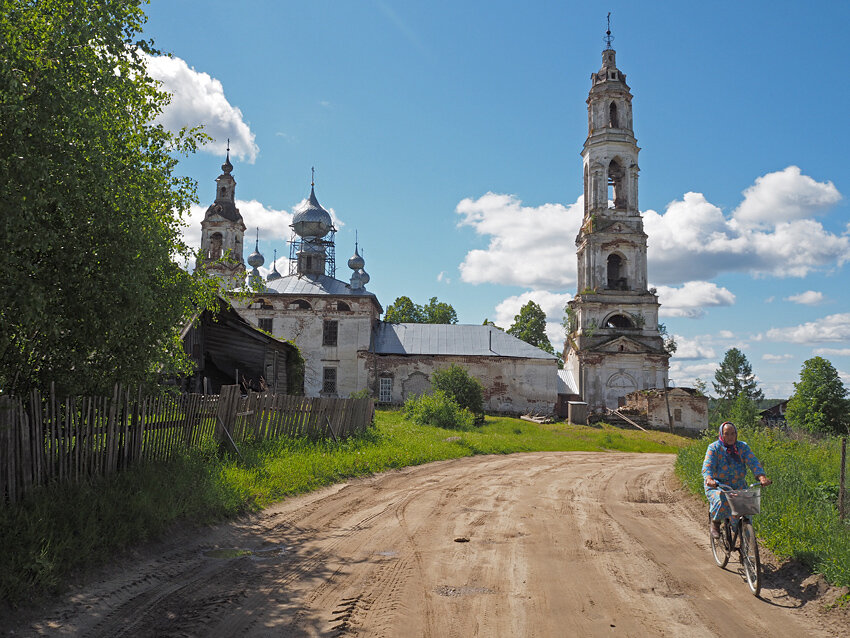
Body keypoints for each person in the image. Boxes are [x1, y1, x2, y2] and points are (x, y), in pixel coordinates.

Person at [702, 421, 771, 538]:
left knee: (746, 508)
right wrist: (709, 478)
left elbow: (753, 462)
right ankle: (716, 522)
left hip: (739, 485)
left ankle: (744, 539)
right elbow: (707, 466)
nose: (730, 437)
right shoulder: (714, 448)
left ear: (736, 434)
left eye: (733, 434)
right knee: (722, 499)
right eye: (726, 434)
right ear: (721, 434)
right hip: (718, 486)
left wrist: (762, 477)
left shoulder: (742, 447)